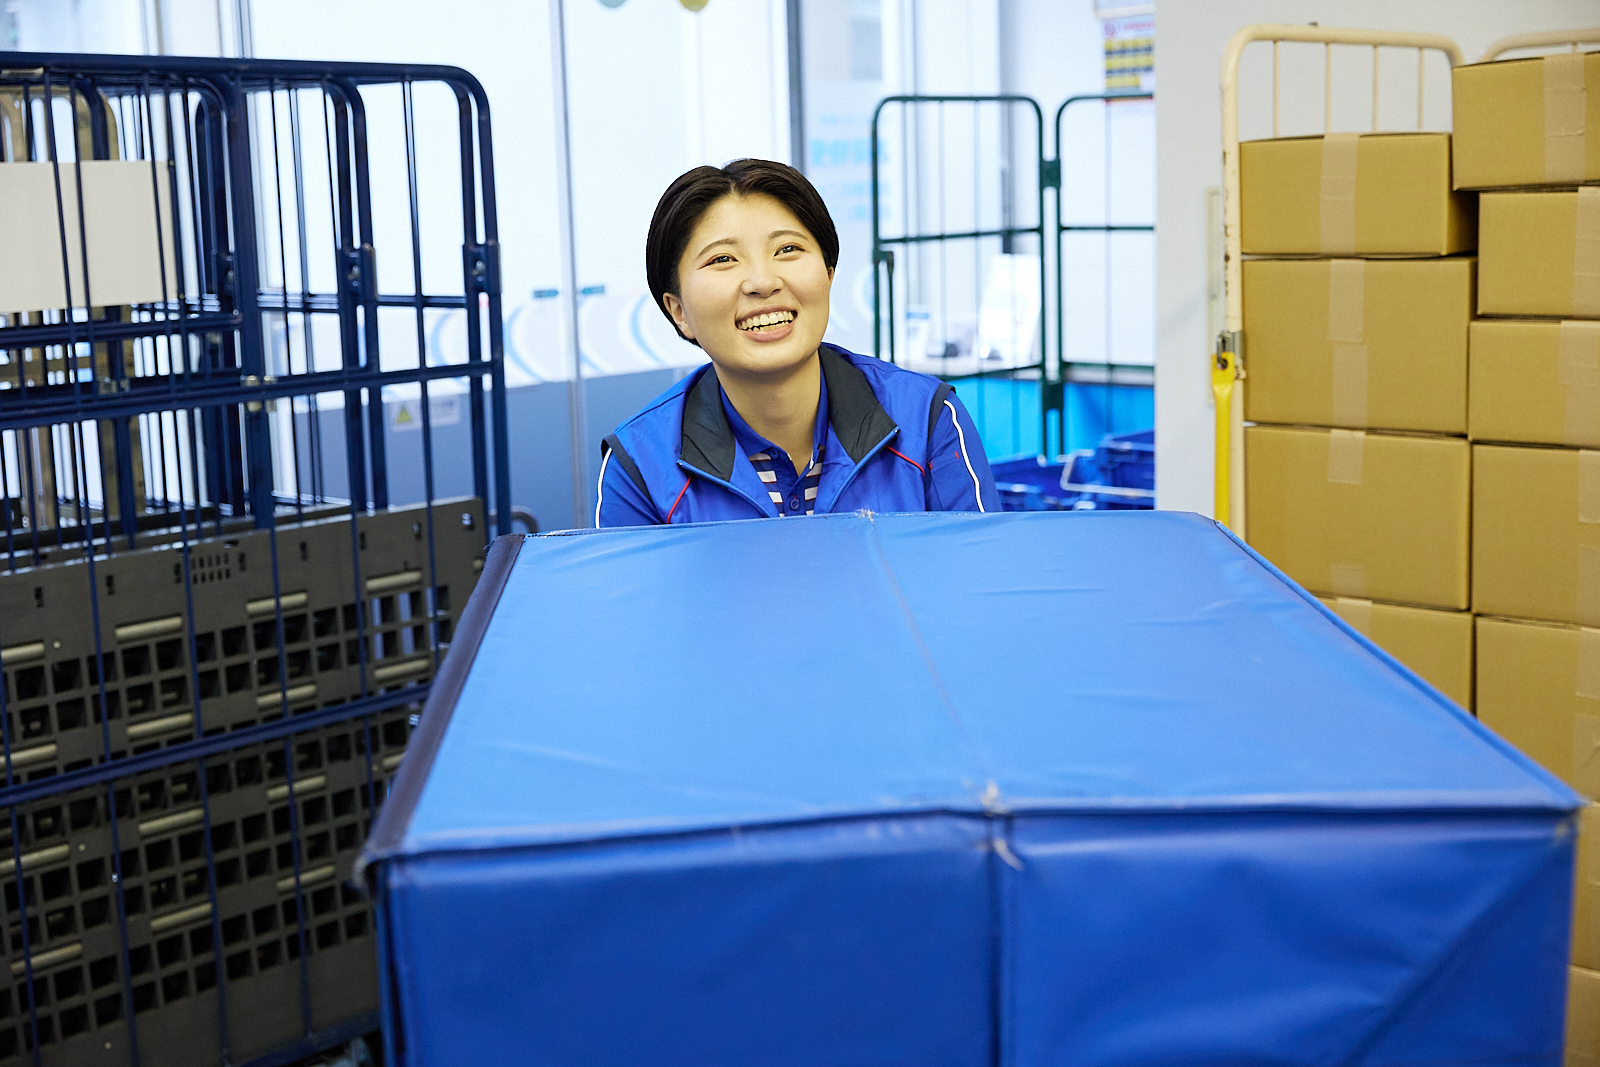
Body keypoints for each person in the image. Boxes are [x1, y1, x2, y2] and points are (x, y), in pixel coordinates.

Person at [595, 158, 999, 527]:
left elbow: (981, 573)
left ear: (828, 275)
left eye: (787, 249)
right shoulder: (640, 466)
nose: (763, 282)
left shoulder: (925, 419)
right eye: (723, 259)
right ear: (679, 311)